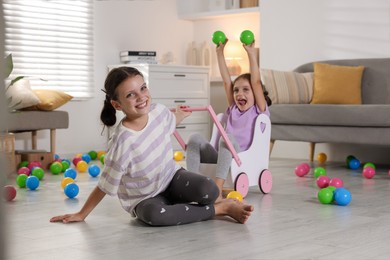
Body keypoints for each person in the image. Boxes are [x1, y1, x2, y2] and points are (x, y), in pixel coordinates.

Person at [50, 66, 254, 226]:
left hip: (171, 178)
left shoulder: (159, 112)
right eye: (130, 95)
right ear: (117, 104)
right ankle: (220, 209)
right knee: (155, 216)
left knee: (209, 189)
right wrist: (81, 213)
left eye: (143, 88)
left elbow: (169, 120)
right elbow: (105, 184)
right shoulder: (123, 141)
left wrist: (180, 114)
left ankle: (206, 203)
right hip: (144, 198)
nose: (141, 97)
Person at [186, 38, 272, 200]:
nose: (240, 94)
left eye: (246, 90)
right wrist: (219, 53)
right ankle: (192, 183)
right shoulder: (233, 108)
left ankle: (217, 188)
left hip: (243, 156)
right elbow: (227, 82)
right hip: (222, 155)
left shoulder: (258, 110)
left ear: (256, 92)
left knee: (228, 138)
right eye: (237, 91)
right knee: (194, 139)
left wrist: (251, 54)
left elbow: (256, 81)